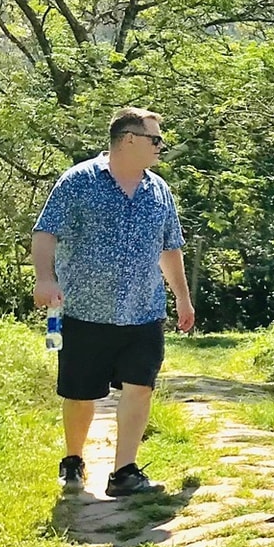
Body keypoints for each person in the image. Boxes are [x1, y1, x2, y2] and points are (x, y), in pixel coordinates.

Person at [33, 106, 196, 497]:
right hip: (85, 310)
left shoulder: (159, 191)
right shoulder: (78, 182)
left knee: (140, 387)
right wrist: (44, 278)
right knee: (79, 393)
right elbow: (45, 233)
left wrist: (183, 300)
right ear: (129, 140)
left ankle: (124, 471)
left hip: (143, 310)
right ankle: (73, 460)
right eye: (155, 139)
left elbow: (170, 249)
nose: (160, 147)